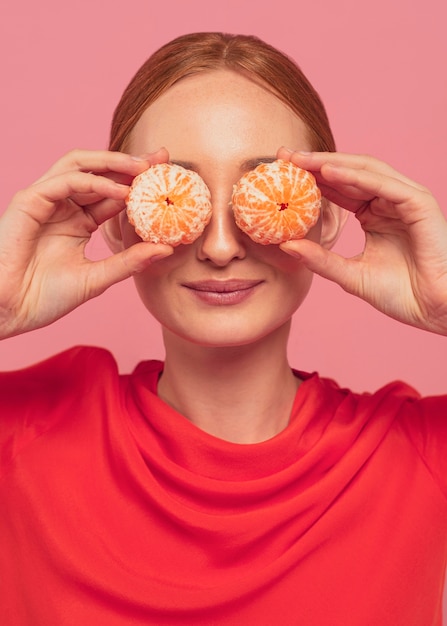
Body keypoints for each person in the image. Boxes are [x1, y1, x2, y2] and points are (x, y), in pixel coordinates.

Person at [1, 31, 446, 626]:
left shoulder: (419, 454)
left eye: (257, 191)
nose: (217, 246)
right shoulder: (24, 433)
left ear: (327, 215)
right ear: (118, 221)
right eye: (177, 194)